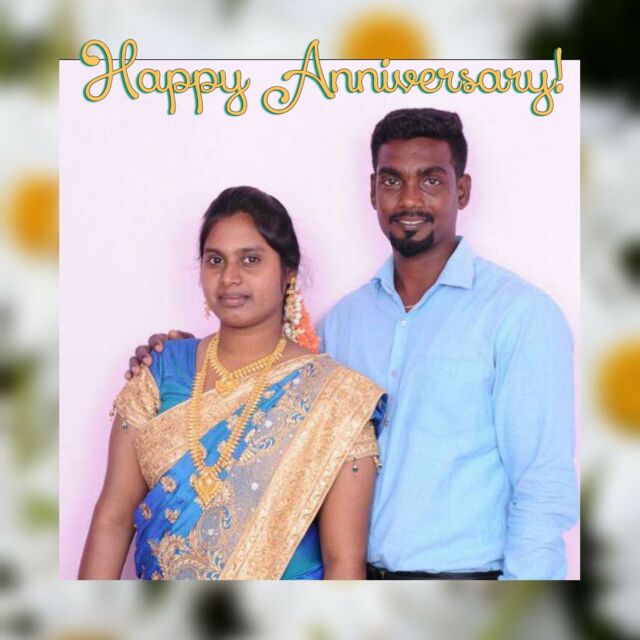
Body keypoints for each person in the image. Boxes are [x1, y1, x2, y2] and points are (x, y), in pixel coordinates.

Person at [127, 108, 579, 580]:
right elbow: (260, 387)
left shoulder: (519, 316)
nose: (409, 198)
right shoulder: (341, 324)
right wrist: (180, 359)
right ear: (372, 191)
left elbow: (543, 486)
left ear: (461, 190)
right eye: (392, 181)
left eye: (430, 181)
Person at [79, 186, 386, 580]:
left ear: (288, 273)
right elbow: (113, 520)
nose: (229, 277)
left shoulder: (337, 400)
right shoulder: (161, 370)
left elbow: (344, 562)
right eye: (215, 260)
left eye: (251, 259)